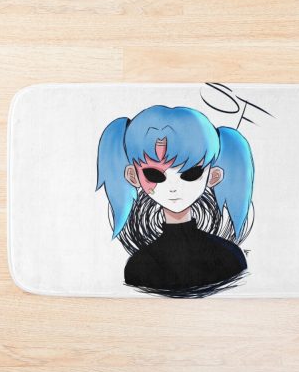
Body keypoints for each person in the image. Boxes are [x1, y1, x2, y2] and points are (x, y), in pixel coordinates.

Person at [96, 105, 254, 297]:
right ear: (133, 176)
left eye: (191, 174)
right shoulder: (139, 267)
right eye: (154, 174)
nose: (173, 187)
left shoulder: (230, 258)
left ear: (213, 177)